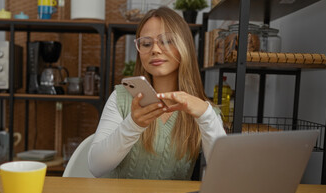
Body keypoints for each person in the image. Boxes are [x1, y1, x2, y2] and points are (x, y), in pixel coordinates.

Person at [88, 7, 226, 180]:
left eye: (167, 41)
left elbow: (224, 172)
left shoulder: (203, 111)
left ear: (185, 47)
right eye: (146, 43)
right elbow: (96, 166)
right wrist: (133, 124)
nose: (155, 49)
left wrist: (206, 115)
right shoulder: (121, 97)